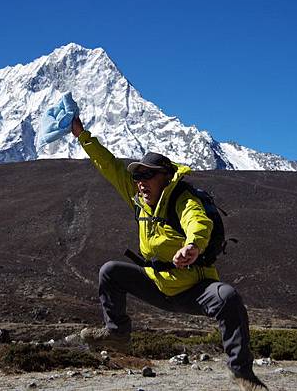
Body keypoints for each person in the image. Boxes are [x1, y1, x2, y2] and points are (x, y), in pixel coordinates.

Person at [71, 114, 268, 391]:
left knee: (228, 298)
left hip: (193, 288)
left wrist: (193, 246)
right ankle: (117, 335)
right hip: (156, 284)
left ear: (165, 176)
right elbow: (110, 166)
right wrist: (82, 135)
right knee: (111, 272)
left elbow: (198, 220)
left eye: (148, 174)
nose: (141, 181)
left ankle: (243, 375)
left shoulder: (181, 198)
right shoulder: (140, 199)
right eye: (138, 175)